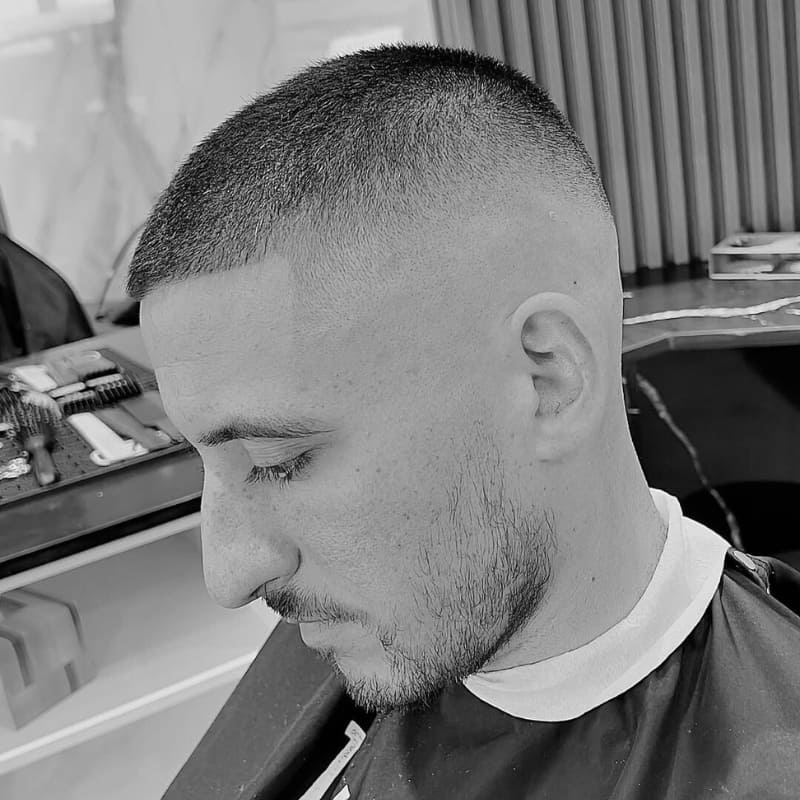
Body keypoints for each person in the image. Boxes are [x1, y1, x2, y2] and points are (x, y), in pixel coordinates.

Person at [128, 43, 800, 799]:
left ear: (548, 382)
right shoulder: (381, 621)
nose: (228, 575)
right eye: (204, 462)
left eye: (278, 459)